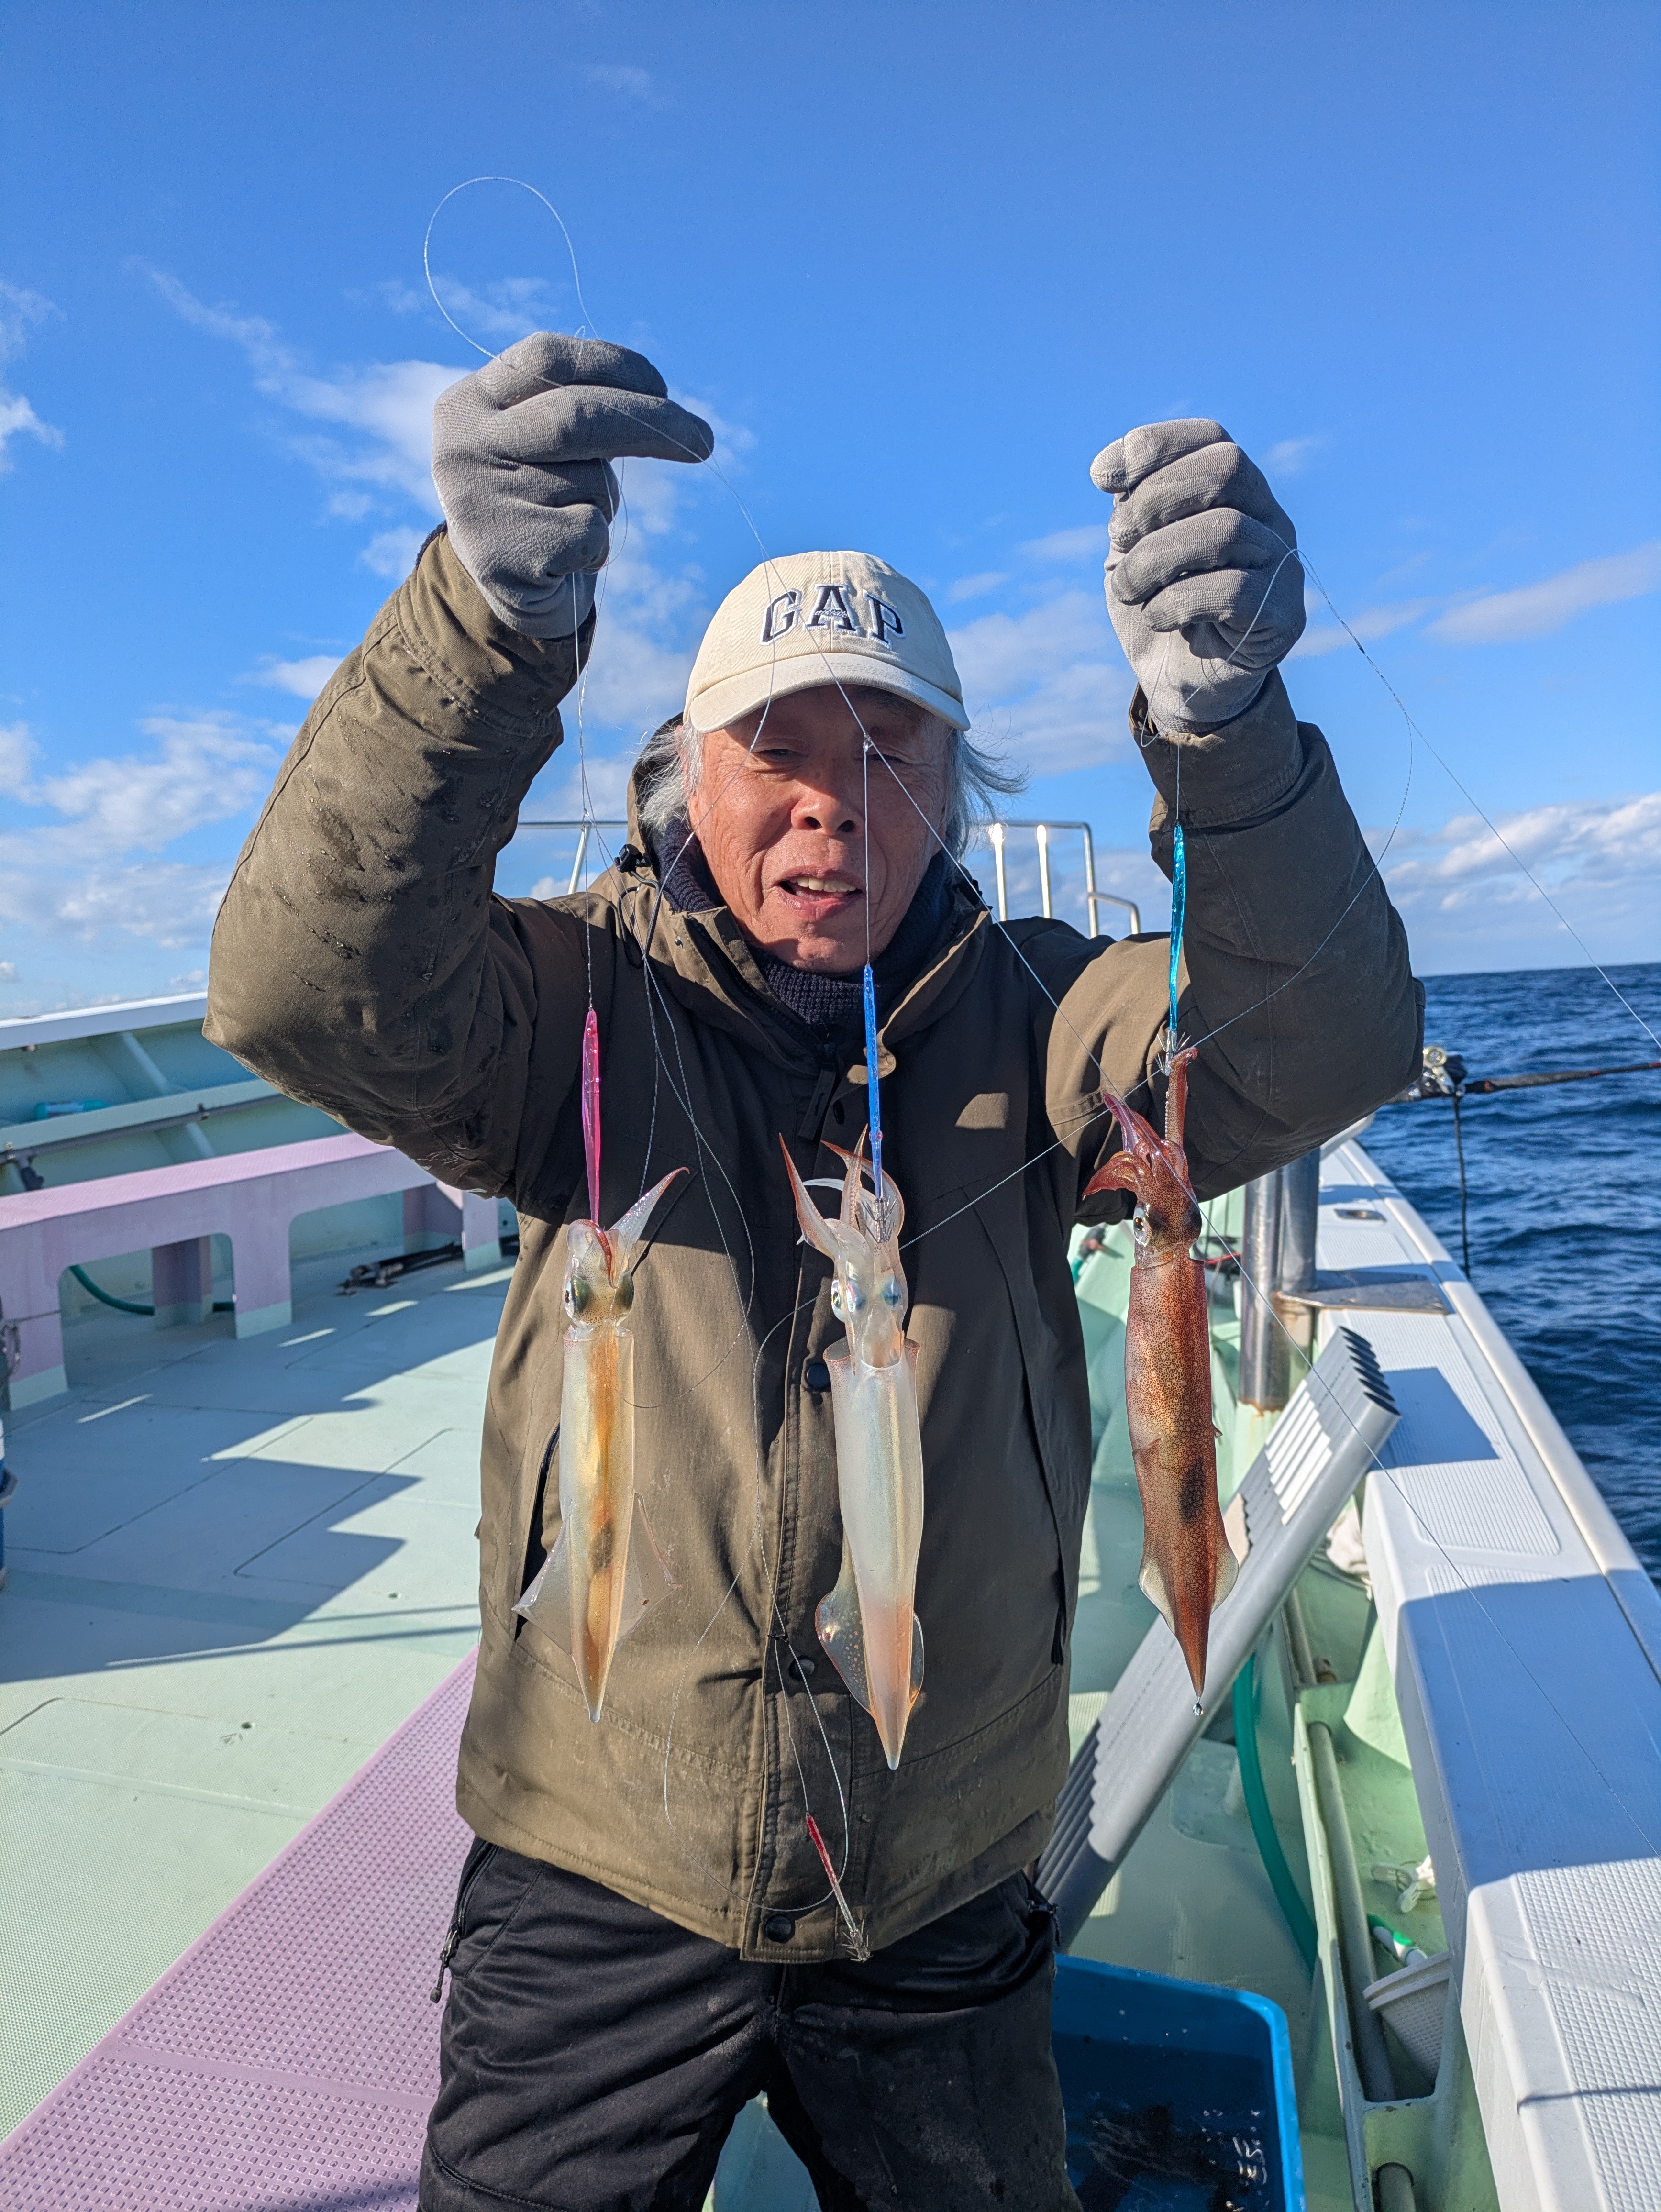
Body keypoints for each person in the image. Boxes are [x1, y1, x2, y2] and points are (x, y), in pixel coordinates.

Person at [206, 333, 1421, 2212]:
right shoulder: (567, 1000)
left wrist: (1227, 726)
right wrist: (487, 624)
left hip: (935, 1862)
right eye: (775, 751)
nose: (830, 806)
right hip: (599, 1849)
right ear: (685, 774)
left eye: (888, 751)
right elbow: (301, 988)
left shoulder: (1040, 1015)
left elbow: (1313, 1045)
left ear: (953, 781)